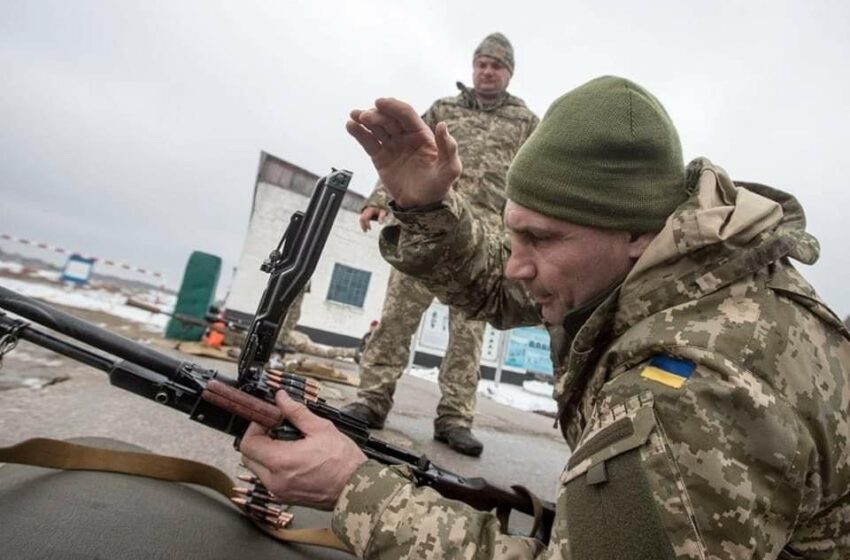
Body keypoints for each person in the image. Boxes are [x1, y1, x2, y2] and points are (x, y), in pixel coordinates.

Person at [240, 76, 850, 558]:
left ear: (637, 232)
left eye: (541, 240)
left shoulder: (701, 385)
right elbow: (491, 282)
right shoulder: (643, 267)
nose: (516, 267)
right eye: (515, 234)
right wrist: (424, 207)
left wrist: (353, 490)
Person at [343, 32, 539, 457]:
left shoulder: (526, 122)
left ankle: (455, 417)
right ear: (473, 67)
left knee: (468, 333)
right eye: (482, 63)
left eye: (497, 65)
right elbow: (403, 155)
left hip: (483, 239)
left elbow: (535, 180)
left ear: (509, 73)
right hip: (427, 225)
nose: (488, 71)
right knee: (396, 315)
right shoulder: (444, 110)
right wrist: (380, 199)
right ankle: (372, 398)